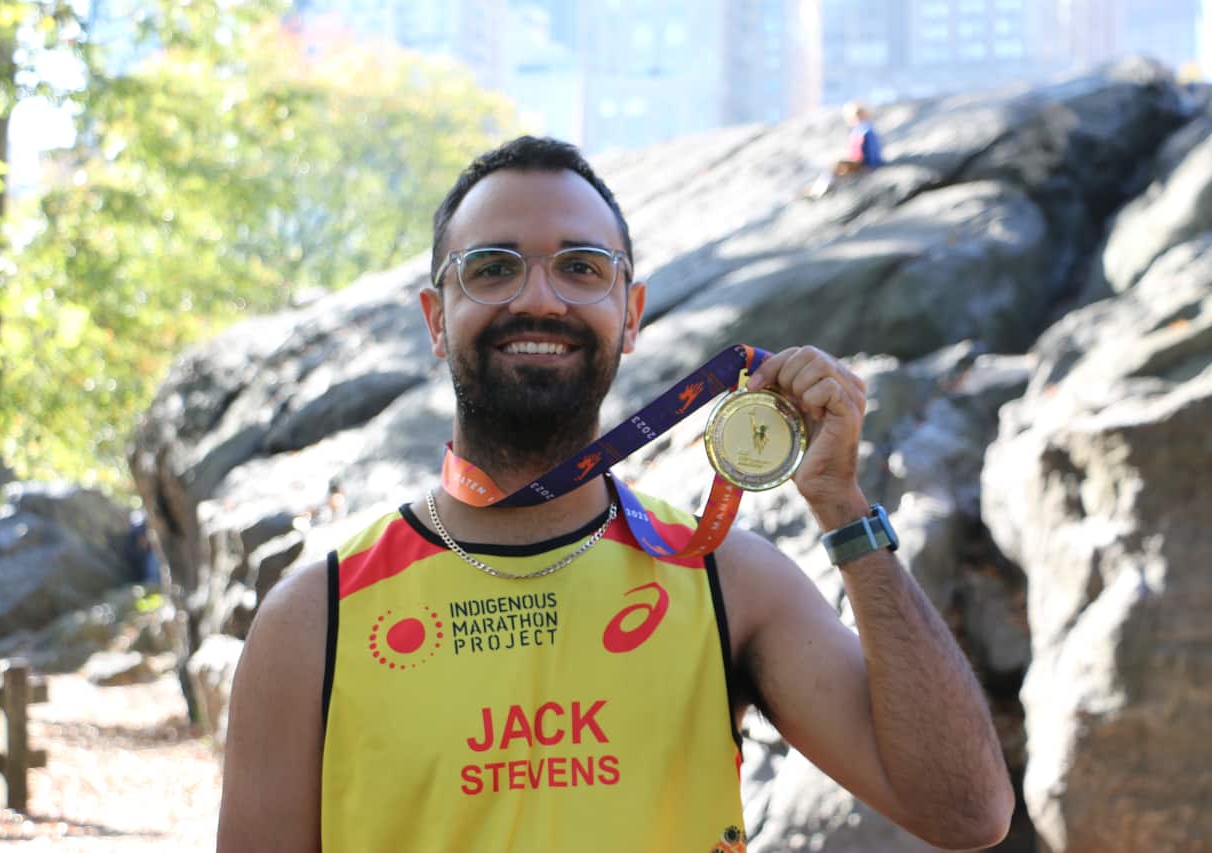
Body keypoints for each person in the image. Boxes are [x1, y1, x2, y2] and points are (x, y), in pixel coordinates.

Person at [216, 136, 1013, 851]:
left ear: (630, 313)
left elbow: (966, 811)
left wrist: (842, 505)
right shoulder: (315, 617)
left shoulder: (725, 579)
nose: (539, 298)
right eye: (493, 267)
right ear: (436, 317)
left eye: (581, 268)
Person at [807, 101, 885, 198]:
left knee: (836, 165)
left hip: (864, 163)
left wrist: (870, 166)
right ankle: (818, 188)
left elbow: (872, 149)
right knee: (835, 166)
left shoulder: (865, 130)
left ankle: (819, 191)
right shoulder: (859, 130)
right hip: (860, 162)